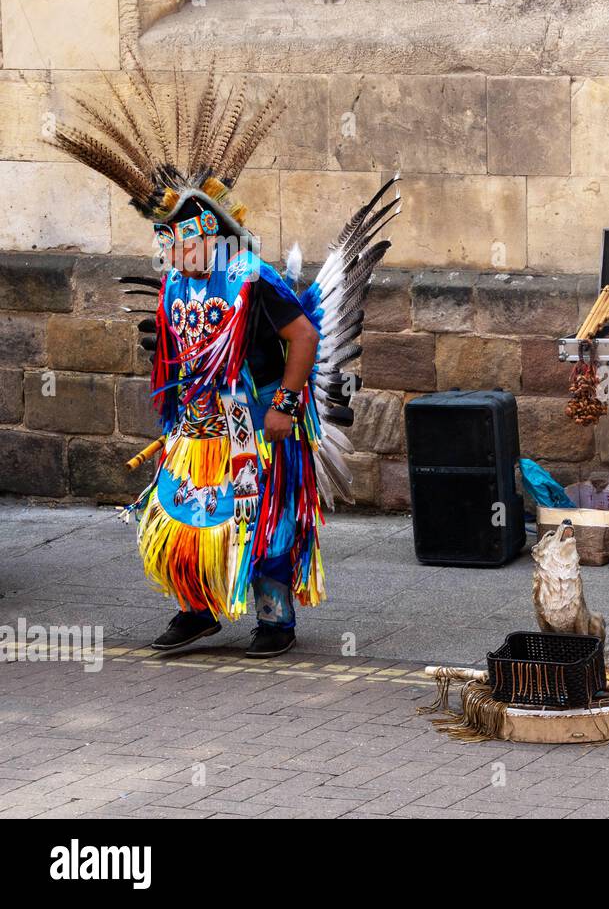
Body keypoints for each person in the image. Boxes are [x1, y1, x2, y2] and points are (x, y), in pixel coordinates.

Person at [50, 63, 398, 658]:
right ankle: (197, 610)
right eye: (162, 243)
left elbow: (306, 337)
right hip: (198, 422)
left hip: (258, 418)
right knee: (186, 518)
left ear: (209, 234)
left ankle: (275, 621)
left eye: (178, 241)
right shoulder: (174, 286)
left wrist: (287, 405)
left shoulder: (250, 278)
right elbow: (180, 347)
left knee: (262, 520)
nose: (168, 252)